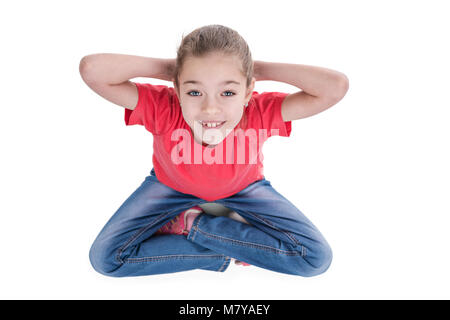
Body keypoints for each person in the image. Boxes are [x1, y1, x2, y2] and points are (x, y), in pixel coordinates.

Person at [79, 24, 349, 277]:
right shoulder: (165, 107)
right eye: (195, 92)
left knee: (315, 259)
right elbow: (92, 69)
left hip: (245, 192)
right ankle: (233, 242)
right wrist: (174, 69)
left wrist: (255, 68)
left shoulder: (258, 111)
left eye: (228, 92)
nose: (210, 109)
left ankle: (192, 225)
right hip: (169, 188)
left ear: (247, 91)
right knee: (106, 258)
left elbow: (335, 87)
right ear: (177, 88)